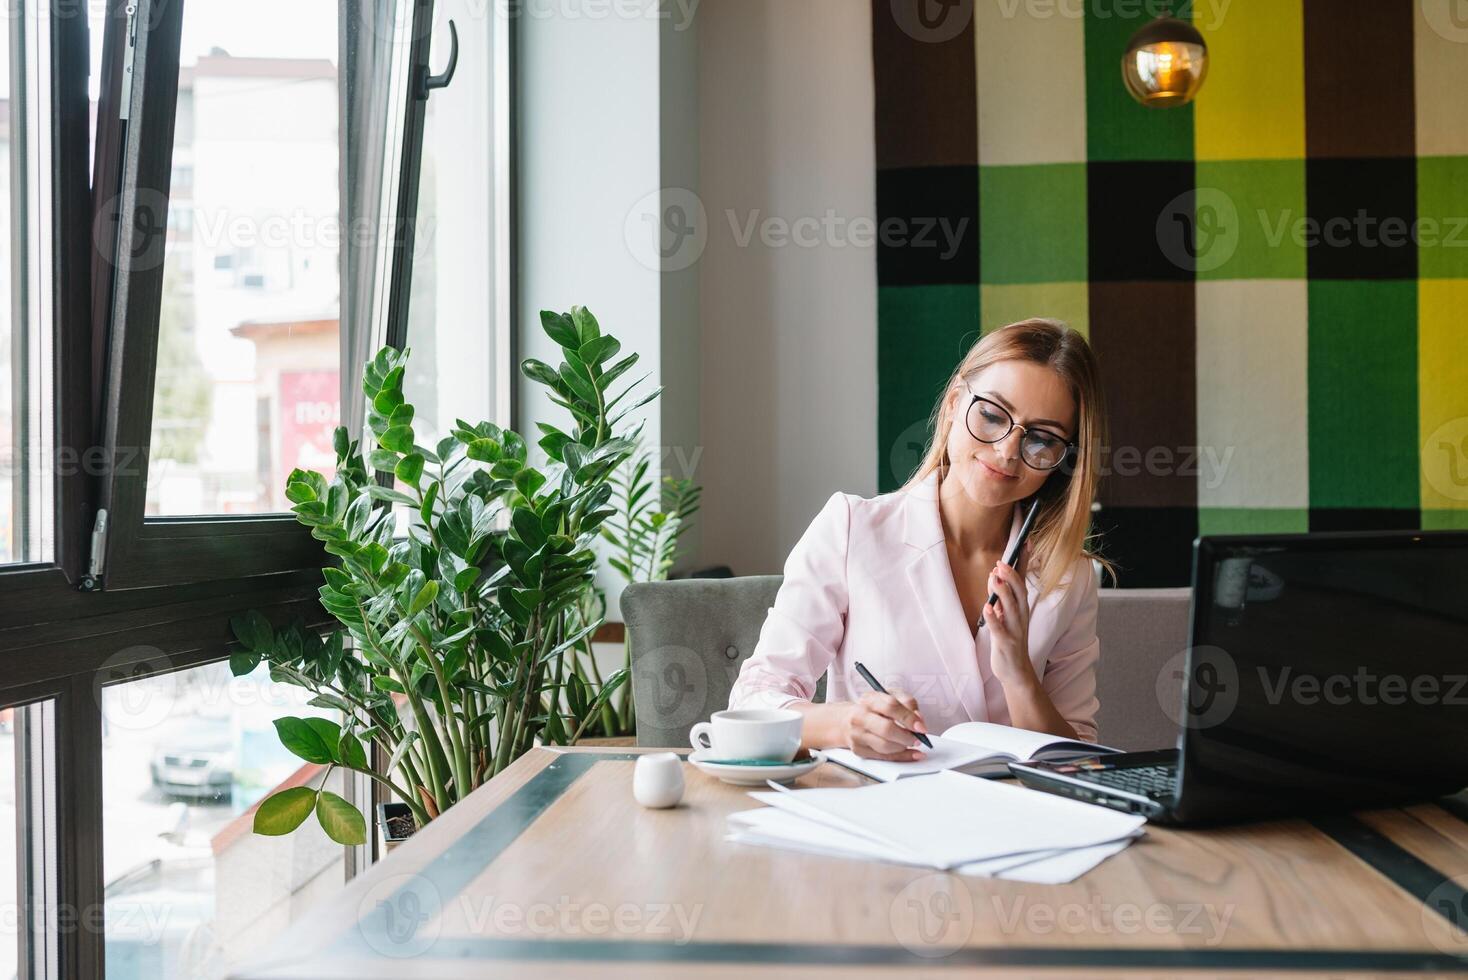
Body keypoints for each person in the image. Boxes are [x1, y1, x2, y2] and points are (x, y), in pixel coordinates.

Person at [728, 319, 1112, 760]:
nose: (1008, 450)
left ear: (1063, 458)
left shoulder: (1071, 576)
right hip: (877, 810)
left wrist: (1019, 674)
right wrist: (847, 723)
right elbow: (752, 701)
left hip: (1008, 819)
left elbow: (1082, 761)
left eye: (1041, 438)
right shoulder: (851, 529)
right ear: (952, 406)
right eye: (991, 415)